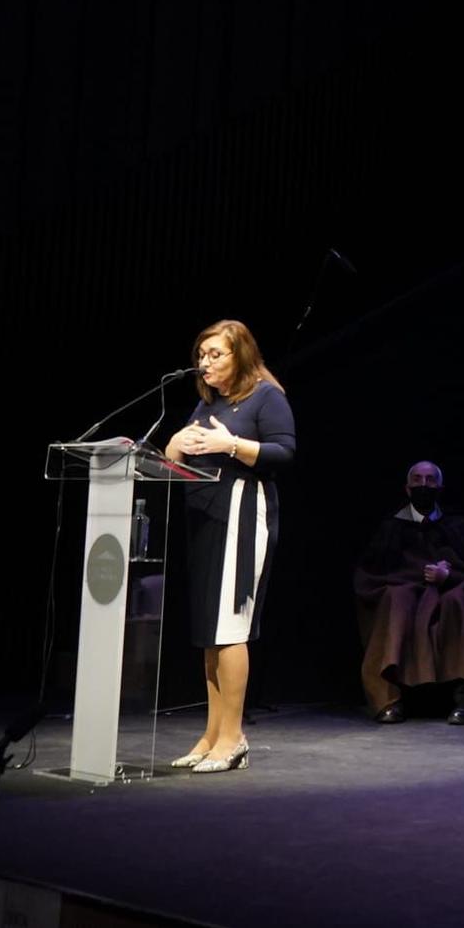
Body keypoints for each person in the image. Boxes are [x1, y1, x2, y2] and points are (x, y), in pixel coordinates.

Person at [164, 319, 296, 773]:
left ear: (240, 353)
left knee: (231, 628)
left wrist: (232, 443)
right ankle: (212, 733)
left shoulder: (265, 396)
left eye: (215, 354)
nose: (204, 363)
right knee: (210, 633)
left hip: (242, 515)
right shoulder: (209, 404)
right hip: (204, 519)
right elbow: (174, 462)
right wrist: (174, 447)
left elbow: (284, 452)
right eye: (200, 356)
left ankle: (234, 737)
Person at [354, 461, 464, 726]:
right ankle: (389, 699)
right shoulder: (391, 528)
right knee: (397, 599)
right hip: (405, 592)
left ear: (440, 487)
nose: (424, 485)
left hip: (447, 592)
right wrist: (416, 576)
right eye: (417, 480)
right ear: (407, 489)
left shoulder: (457, 526)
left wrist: (450, 577)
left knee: (456, 602)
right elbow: (372, 572)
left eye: (430, 480)